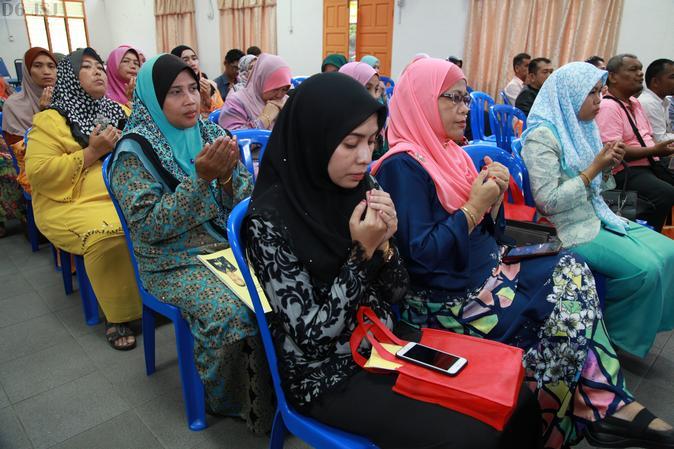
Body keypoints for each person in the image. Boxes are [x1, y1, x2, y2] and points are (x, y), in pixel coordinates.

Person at [373, 57, 674, 449]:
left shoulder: (449, 153)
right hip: (449, 298)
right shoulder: (402, 166)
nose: (466, 109)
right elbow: (423, 258)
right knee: (562, 308)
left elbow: (491, 235)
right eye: (454, 98)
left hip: (486, 271)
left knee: (572, 268)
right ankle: (588, 412)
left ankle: (598, 405)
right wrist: (474, 207)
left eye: (467, 98)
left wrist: (493, 204)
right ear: (422, 101)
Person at [245, 72, 541, 449]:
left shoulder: (362, 186)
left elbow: (397, 290)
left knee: (518, 399)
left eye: (371, 141)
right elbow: (312, 338)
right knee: (475, 435)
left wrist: (385, 247)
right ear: (313, 139)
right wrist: (361, 254)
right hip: (327, 373)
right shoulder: (268, 221)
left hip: (385, 340)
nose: (365, 158)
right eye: (350, 143)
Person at [109, 53, 273, 431]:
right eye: (175, 92)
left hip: (223, 244)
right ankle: (233, 399)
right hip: (169, 260)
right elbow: (149, 227)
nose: (190, 101)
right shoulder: (132, 153)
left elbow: (245, 199)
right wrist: (201, 180)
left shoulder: (210, 135)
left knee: (279, 285)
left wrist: (227, 179)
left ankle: (281, 388)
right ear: (153, 99)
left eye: (193, 89)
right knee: (231, 312)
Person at [521, 61, 674, 359]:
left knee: (668, 251)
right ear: (570, 94)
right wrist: (594, 169)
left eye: (599, 92)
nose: (598, 101)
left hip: (597, 212)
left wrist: (607, 167)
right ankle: (611, 335)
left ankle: (628, 321)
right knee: (645, 270)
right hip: (566, 226)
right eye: (590, 93)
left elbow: (601, 189)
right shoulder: (542, 137)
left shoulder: (584, 127)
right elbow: (548, 202)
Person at [25, 48, 142, 350]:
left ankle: (154, 294)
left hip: (120, 194)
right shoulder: (50, 121)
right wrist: (92, 152)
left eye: (100, 66)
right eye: (87, 67)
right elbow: (38, 173)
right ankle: (119, 315)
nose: (98, 71)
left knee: (155, 218)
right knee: (109, 235)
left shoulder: (119, 111)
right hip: (68, 202)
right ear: (69, 77)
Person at [595, 54, 674, 231]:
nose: (640, 74)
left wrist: (659, 150)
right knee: (665, 193)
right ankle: (649, 238)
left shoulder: (634, 103)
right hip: (623, 171)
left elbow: (647, 138)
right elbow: (613, 151)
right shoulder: (608, 106)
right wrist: (655, 150)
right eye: (633, 69)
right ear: (612, 76)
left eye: (640, 69)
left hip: (649, 164)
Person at [2, 47, 57, 194]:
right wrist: (44, 114)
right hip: (35, 172)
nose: (46, 71)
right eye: (37, 66)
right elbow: (24, 152)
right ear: (27, 71)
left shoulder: (66, 99)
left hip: (68, 163)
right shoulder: (14, 105)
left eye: (51, 66)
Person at [218, 53, 291, 131]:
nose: (279, 95)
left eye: (284, 89)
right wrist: (265, 118)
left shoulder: (286, 100)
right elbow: (232, 136)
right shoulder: (236, 102)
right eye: (275, 89)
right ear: (261, 81)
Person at [339, 62, 388, 159]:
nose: (374, 96)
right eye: (367, 88)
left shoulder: (376, 119)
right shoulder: (337, 126)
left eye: (376, 89)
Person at [170, 45, 223, 117]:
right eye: (185, 60)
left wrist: (207, 99)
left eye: (194, 58)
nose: (192, 63)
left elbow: (222, 114)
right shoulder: (173, 89)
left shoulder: (210, 85)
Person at [640, 58, 674, 143]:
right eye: (672, 77)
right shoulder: (649, 102)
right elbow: (660, 140)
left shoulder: (664, 101)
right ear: (655, 82)